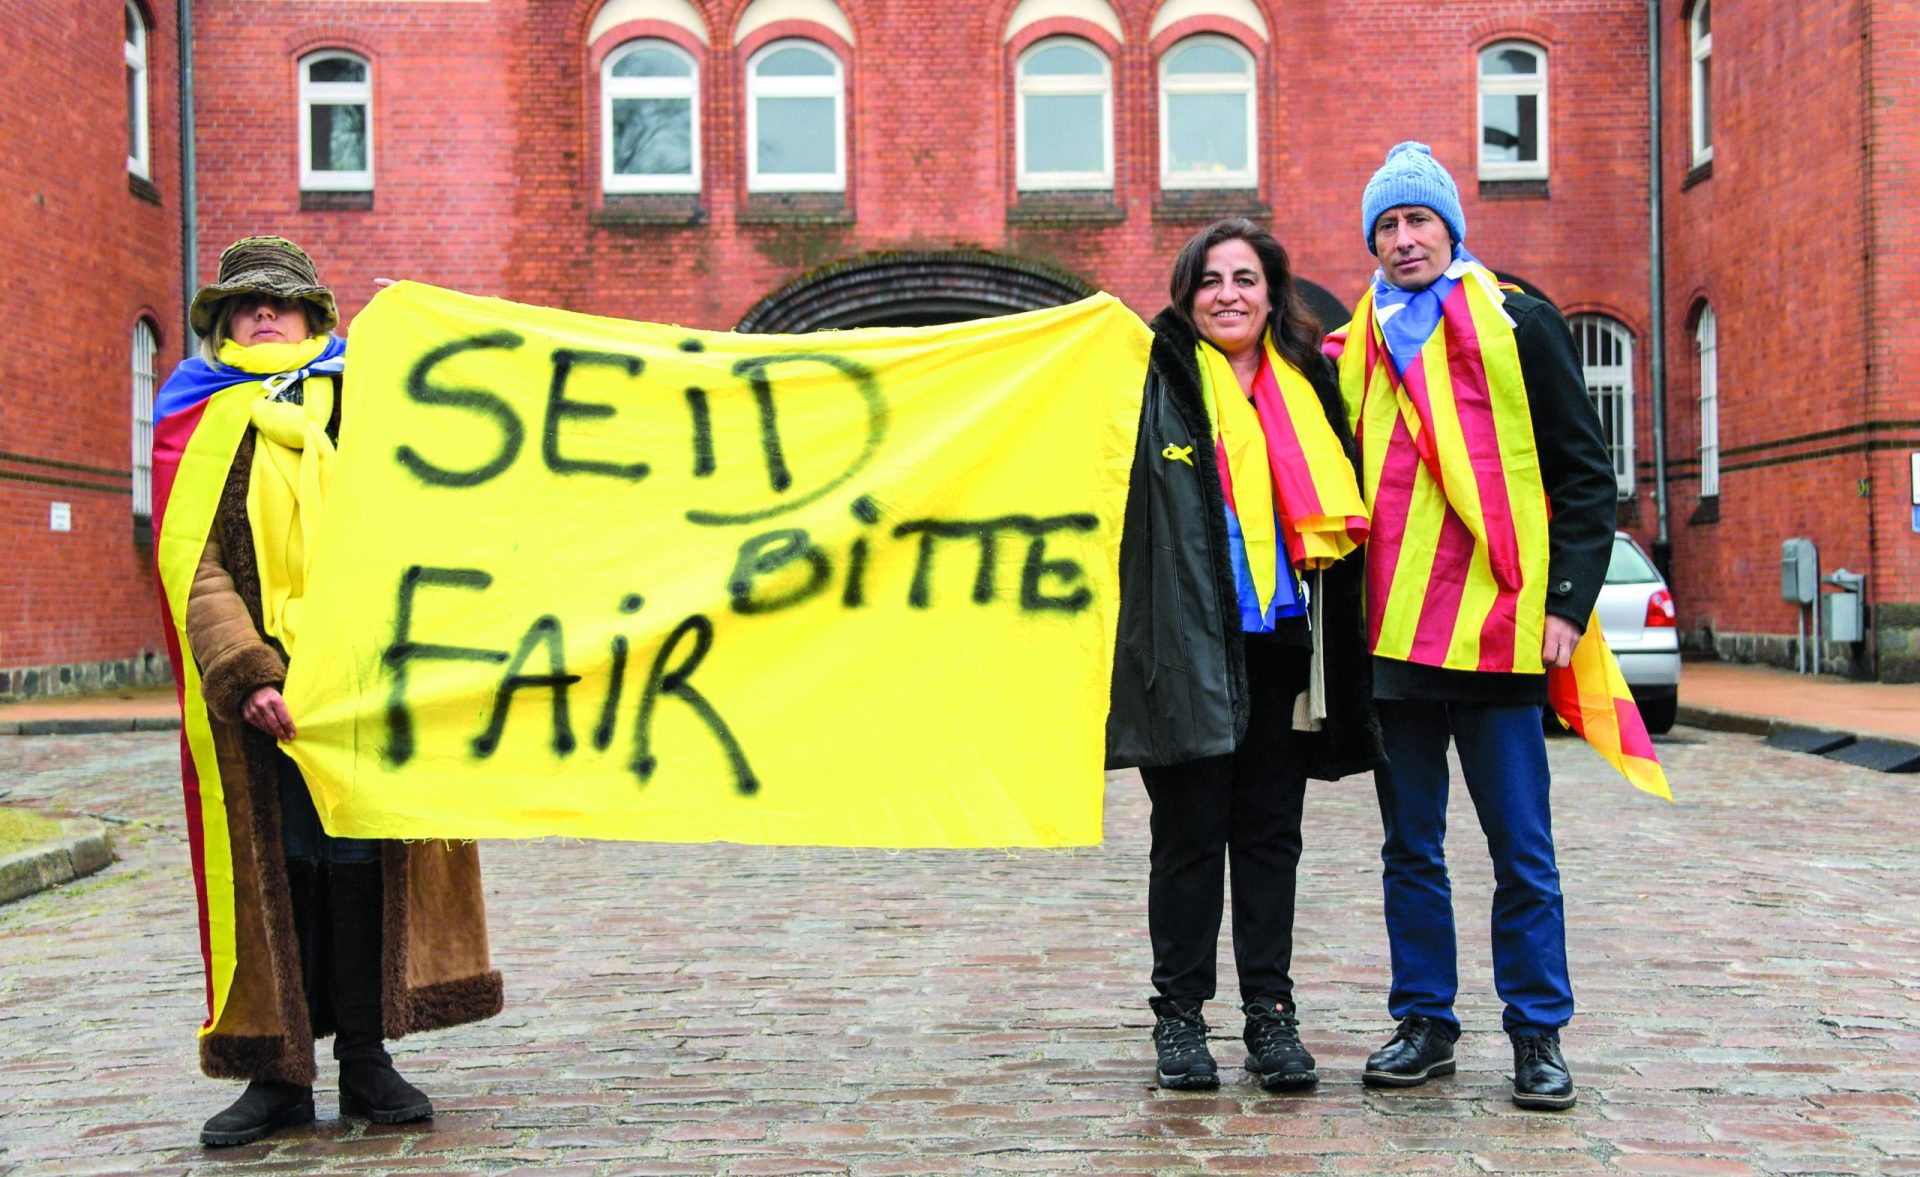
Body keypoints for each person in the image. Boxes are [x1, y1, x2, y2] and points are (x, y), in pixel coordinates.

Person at [151, 237, 504, 1147]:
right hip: (258, 704)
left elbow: (418, 522)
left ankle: (366, 1058)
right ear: (223, 322)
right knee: (278, 872)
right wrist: (249, 673)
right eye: (245, 305)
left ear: (316, 316)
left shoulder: (372, 408)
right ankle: (276, 1072)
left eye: (282, 303)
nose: (263, 315)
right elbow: (195, 563)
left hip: (359, 688)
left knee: (360, 864)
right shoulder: (195, 417)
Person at [1327, 144, 1617, 1109]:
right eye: (1387, 226)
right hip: (1396, 635)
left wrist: (1568, 606)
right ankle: (1426, 1021)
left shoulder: (1518, 320)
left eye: (1418, 221)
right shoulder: (1354, 338)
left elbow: (1583, 475)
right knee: (1411, 844)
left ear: (1452, 228)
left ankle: (1539, 1031)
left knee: (1519, 846)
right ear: (1371, 240)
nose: (1404, 239)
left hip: (1497, 626)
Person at [1107, 219, 1381, 1092]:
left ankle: (1271, 1016)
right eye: (1211, 279)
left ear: (1272, 293)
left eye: (1247, 278)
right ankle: (1180, 1020)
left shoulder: (1312, 382)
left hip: (1284, 644)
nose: (1229, 293)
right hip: (1189, 643)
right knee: (1187, 838)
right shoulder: (1151, 379)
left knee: (1270, 837)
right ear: (1186, 296)